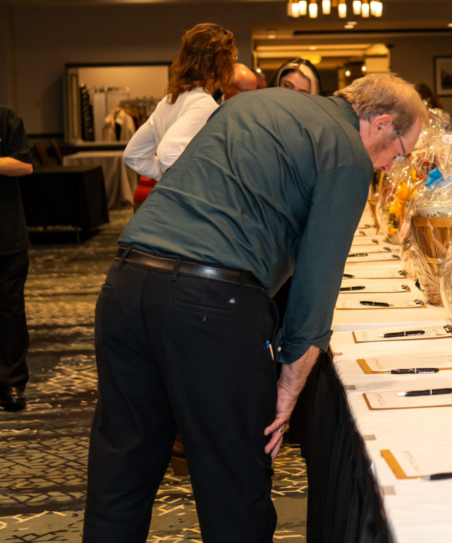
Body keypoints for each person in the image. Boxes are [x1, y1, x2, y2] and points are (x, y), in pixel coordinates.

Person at [83, 73, 425, 541]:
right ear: (381, 124)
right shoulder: (347, 152)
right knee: (233, 481)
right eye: (400, 153)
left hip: (127, 281)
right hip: (210, 303)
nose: (391, 167)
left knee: (122, 466)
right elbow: (318, 279)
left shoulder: (255, 104)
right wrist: (288, 388)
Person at [123, 23, 233, 210]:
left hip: (168, 203)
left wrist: (164, 176)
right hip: (187, 208)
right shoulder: (203, 103)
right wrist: (198, 189)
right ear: (222, 64)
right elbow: (168, 152)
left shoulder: (168, 101)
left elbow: (133, 155)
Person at [0, 105, 33, 412]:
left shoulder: (6, 119)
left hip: (6, 237)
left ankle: (12, 382)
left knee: (10, 313)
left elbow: (23, 165)